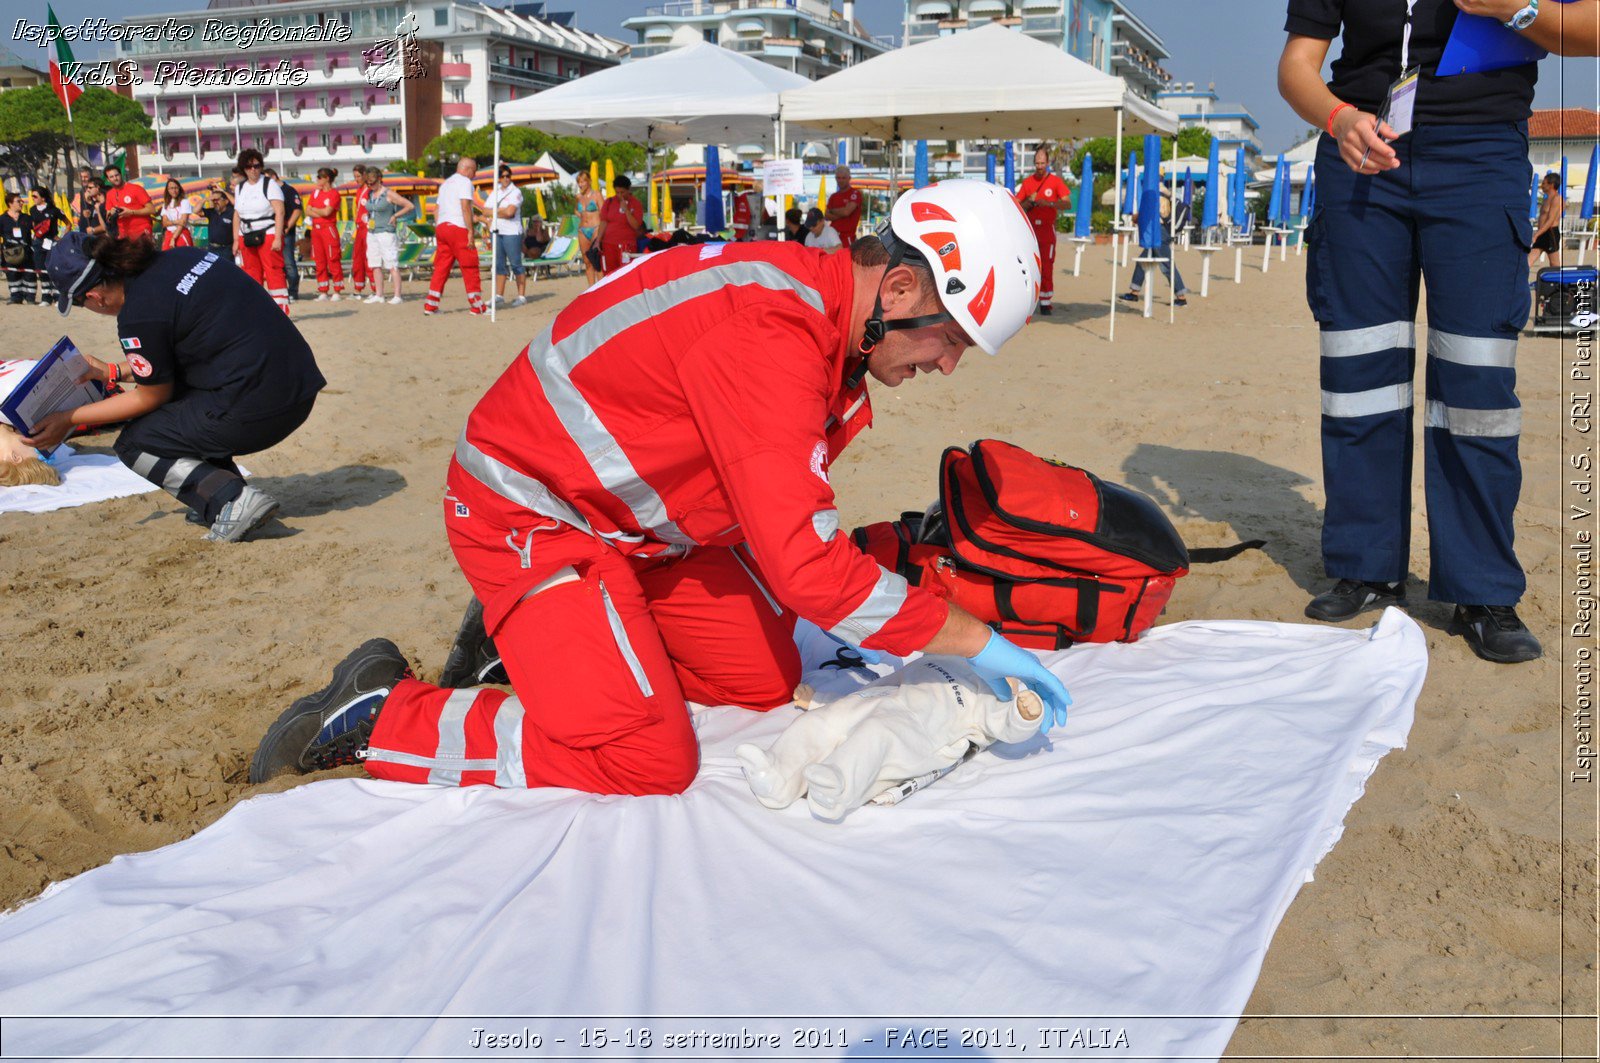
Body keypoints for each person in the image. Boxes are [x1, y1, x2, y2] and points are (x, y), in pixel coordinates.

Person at [247, 180, 1070, 800]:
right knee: (649, 756)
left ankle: (548, 645)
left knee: (760, 673)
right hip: (531, 514)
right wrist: (971, 638)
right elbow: (807, 565)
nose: (946, 365)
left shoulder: (809, 306)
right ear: (895, 293)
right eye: (951, 339)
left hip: (635, 529)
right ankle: (380, 715)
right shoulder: (775, 336)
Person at [1277, 0, 1600, 663]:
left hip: (1480, 154)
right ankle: (1367, 567)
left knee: (1476, 387)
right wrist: (1337, 119)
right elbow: (1297, 66)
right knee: (1359, 373)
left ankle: (1482, 590)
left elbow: (1589, 31)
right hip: (1363, 154)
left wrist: (1515, 7)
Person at [29, 232, 325, 542]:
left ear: (94, 297)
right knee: (179, 403)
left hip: (262, 406)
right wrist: (112, 371)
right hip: (298, 380)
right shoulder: (183, 257)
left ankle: (232, 500)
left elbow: (150, 396)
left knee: (137, 440)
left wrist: (69, 417)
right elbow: (171, 362)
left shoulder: (139, 314)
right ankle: (220, 488)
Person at [424, 157, 486, 316]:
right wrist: (470, 231)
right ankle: (477, 305)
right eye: (474, 170)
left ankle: (431, 304)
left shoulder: (445, 184)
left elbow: (436, 210)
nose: (475, 174)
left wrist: (439, 228)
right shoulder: (465, 182)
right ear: (468, 169)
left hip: (443, 227)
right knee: (469, 264)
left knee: (441, 267)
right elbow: (465, 206)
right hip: (458, 227)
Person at [1015, 146, 1073, 315]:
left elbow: (1068, 204)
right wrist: (1029, 200)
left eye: (1042, 163)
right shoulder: (1027, 183)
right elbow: (1017, 206)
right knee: (1029, 267)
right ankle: (1029, 301)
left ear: (1048, 163)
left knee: (1047, 266)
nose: (1039, 166)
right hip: (1030, 232)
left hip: (1047, 231)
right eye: (1037, 163)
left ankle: (1046, 302)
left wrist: (1050, 204)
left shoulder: (1055, 182)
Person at [231, 149, 289, 313]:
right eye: (249, 167)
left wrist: (278, 237)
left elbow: (280, 211)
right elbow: (237, 214)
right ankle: (256, 309)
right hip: (246, 233)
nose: (253, 170)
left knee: (273, 270)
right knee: (250, 272)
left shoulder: (269, 184)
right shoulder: (240, 187)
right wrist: (235, 240)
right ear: (244, 168)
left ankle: (280, 309)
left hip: (268, 232)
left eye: (256, 166)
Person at [1120, 184, 1189, 308]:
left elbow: (1155, 213)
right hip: (1162, 232)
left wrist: (1137, 216)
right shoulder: (1164, 191)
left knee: (1167, 266)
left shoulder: (1156, 190)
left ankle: (1181, 297)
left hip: (1159, 233)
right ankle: (1134, 292)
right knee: (1142, 261)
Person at [361, 168, 416, 305]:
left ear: (379, 179)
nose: (370, 186)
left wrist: (395, 215)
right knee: (374, 264)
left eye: (372, 183)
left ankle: (397, 295)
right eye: (368, 183)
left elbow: (409, 205)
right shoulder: (370, 194)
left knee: (391, 263)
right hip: (372, 231)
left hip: (386, 232)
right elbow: (371, 209)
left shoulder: (389, 193)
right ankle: (379, 294)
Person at [488, 164, 528, 309]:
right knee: (499, 264)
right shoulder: (495, 192)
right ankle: (499, 295)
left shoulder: (515, 192)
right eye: (503, 176)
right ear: (499, 178)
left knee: (516, 263)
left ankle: (521, 295)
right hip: (497, 230)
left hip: (511, 231)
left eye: (508, 176)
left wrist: (495, 211)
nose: (505, 179)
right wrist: (500, 211)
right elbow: (485, 210)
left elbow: (510, 212)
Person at [305, 168, 346, 301]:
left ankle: (337, 289)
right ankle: (323, 289)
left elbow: (328, 212)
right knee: (319, 260)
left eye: (319, 177)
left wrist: (316, 211)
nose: (317, 180)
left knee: (333, 258)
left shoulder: (334, 194)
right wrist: (320, 212)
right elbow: (307, 211)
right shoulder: (315, 193)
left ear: (327, 178)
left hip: (328, 229)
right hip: (316, 229)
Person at [264, 168, 303, 303]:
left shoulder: (289, 190)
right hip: (271, 232)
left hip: (285, 232)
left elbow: (297, 211)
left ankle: (293, 291)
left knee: (288, 262)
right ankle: (282, 291)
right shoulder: (267, 191)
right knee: (275, 264)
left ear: (274, 177)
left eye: (267, 178)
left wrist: (286, 228)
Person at [594, 173, 643, 274]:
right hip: (608, 244)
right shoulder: (609, 202)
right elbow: (603, 222)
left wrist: (626, 210)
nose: (620, 195)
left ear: (628, 189)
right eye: (617, 192)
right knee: (610, 274)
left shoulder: (636, 204)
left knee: (626, 274)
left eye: (622, 192)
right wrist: (598, 240)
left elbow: (636, 225)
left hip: (627, 245)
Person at [28, 189, 66, 305]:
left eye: (35, 196)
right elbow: (34, 224)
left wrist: (62, 237)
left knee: (54, 268)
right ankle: (45, 297)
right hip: (39, 243)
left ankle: (57, 296)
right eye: (32, 196)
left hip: (52, 242)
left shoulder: (54, 210)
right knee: (41, 269)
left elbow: (67, 223)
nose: (33, 198)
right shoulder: (32, 210)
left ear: (43, 198)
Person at [102, 165, 157, 242]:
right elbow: (108, 217)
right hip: (124, 235)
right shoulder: (109, 194)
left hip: (142, 232)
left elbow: (152, 210)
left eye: (117, 175)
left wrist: (131, 212)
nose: (115, 178)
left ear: (121, 174)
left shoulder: (136, 189)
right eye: (111, 177)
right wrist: (112, 213)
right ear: (108, 179)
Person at [2, 194, 34, 305]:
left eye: (21, 201)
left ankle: (30, 298)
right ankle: (15, 297)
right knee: (12, 274)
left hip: (26, 252)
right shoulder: (2, 219)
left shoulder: (27, 218)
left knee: (29, 274)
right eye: (18, 201)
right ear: (10, 203)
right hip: (10, 253)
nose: (21, 203)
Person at [348, 165, 375, 299]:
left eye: (358, 176)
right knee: (357, 259)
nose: (357, 179)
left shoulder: (370, 190)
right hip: (359, 228)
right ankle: (358, 289)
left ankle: (375, 289)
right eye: (355, 177)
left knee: (369, 259)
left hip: (368, 228)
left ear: (365, 175)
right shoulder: (359, 191)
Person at [1530, 171, 1564, 269]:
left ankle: (1558, 283)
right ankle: (1520, 282)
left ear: (1551, 185)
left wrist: (1536, 234)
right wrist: (1538, 233)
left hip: (1550, 233)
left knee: (1554, 264)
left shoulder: (1557, 199)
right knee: (1528, 261)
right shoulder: (1546, 199)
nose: (1542, 186)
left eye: (1544, 183)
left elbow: (1550, 220)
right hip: (1542, 233)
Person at [575, 170, 603, 286]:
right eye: (579, 182)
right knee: (587, 262)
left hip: (595, 228)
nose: (580, 184)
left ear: (589, 182)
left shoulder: (597, 195)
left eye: (583, 182)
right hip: (583, 230)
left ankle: (601, 288)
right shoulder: (578, 197)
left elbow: (604, 212)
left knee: (596, 261)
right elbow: (576, 210)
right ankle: (591, 289)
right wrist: (581, 215)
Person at [825, 164, 863, 247]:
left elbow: (846, 212)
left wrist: (833, 211)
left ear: (849, 178)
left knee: (847, 259)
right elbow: (826, 215)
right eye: (838, 178)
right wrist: (841, 213)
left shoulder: (855, 194)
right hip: (832, 236)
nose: (841, 180)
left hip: (847, 237)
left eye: (843, 178)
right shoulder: (833, 196)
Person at [158, 178, 196, 251]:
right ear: (168, 190)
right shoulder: (166, 204)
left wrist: (174, 238)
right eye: (171, 188)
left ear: (179, 189)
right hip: (169, 234)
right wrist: (177, 221)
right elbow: (165, 223)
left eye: (176, 188)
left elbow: (183, 222)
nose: (174, 190)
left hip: (181, 233)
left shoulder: (184, 202)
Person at [200, 180, 234, 253]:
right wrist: (205, 199)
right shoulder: (212, 212)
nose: (215, 202)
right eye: (214, 200)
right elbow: (196, 211)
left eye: (217, 200)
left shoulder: (231, 212)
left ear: (226, 201)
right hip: (212, 248)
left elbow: (237, 204)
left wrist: (222, 190)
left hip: (226, 249)